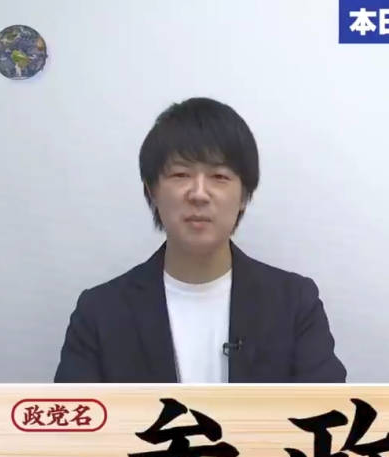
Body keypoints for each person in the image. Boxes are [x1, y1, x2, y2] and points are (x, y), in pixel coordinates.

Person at [54, 97, 346, 384]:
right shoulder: (99, 313)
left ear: (244, 196)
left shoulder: (294, 304)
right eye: (181, 174)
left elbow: (329, 409)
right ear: (152, 192)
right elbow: (76, 413)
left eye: (219, 176)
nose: (199, 194)